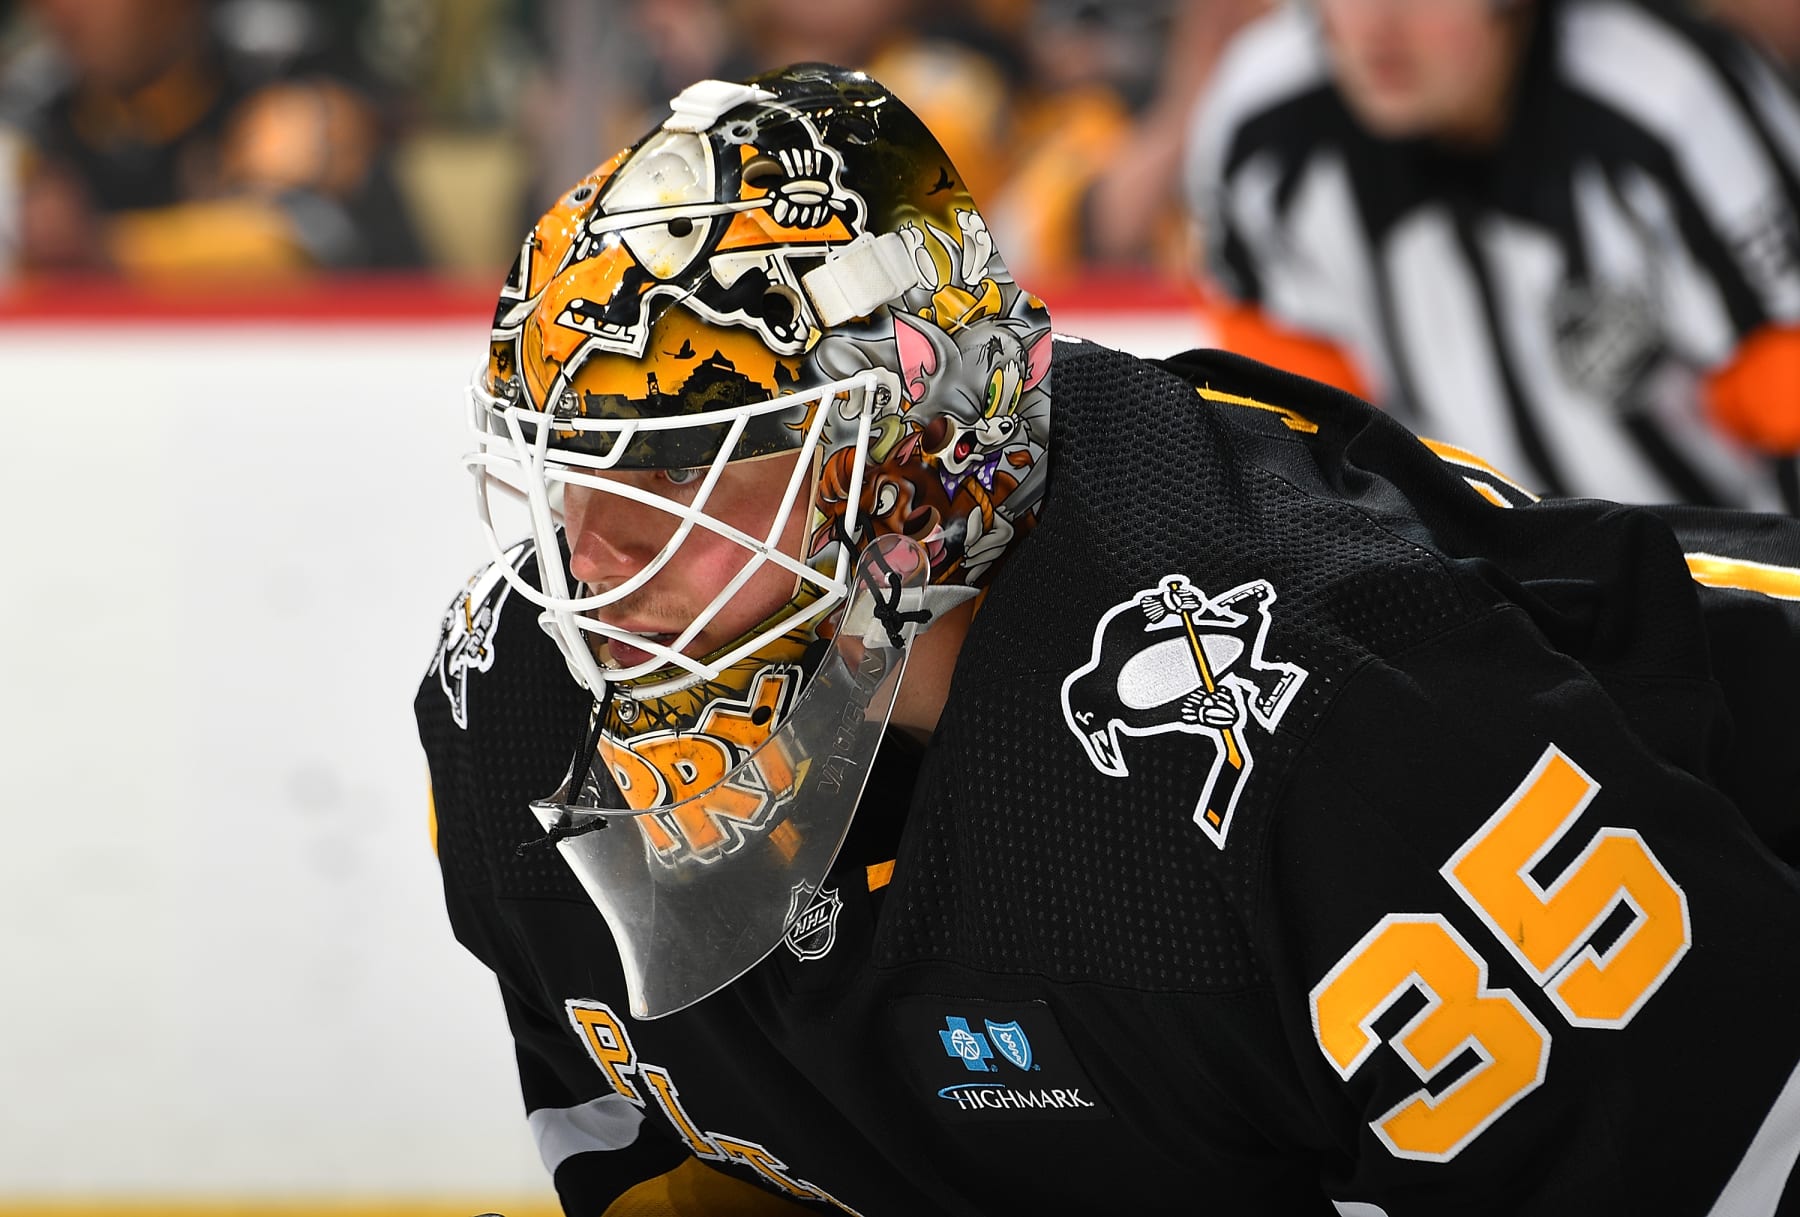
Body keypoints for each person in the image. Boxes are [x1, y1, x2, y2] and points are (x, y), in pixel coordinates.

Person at [417, 63, 1800, 1216]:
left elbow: (1710, 1147)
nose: (591, 560)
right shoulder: (511, 725)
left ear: (912, 457)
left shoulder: (1314, 730)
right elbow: (689, 1164)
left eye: (679, 473)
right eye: (566, 474)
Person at [1184, 0, 1800, 512]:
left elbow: (1787, 400)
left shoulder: (1669, 100)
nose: (1378, 24)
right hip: (1457, 608)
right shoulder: (1264, 130)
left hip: (1706, 600)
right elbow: (1288, 459)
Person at [0, 0, 422, 276]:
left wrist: (105, 252)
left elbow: (299, 244)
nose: (64, 12)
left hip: (348, 374)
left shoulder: (274, 65)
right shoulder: (40, 96)